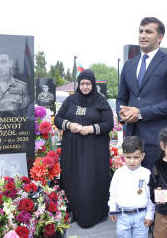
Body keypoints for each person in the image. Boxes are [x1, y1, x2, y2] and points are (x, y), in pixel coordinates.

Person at [117, 17, 167, 171]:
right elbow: (121, 97)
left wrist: (140, 113)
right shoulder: (129, 65)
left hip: (159, 141)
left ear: (160, 37)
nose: (143, 35)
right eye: (141, 31)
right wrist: (122, 113)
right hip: (132, 141)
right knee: (134, 190)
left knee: (158, 190)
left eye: (148, 32)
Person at [54, 69, 114, 228]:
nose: (85, 87)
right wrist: (68, 125)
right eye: (82, 83)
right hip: (72, 149)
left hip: (94, 150)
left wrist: (92, 129)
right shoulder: (70, 100)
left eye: (88, 84)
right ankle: (74, 211)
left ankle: (94, 214)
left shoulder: (101, 101)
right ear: (78, 84)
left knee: (90, 179)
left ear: (93, 84)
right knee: (73, 178)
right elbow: (58, 118)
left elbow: (109, 124)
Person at [108, 136, 155, 237]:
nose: (132, 161)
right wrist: (112, 208)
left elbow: (150, 196)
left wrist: (150, 214)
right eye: (128, 157)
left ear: (143, 156)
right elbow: (113, 192)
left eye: (136, 157)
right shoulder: (119, 173)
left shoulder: (146, 173)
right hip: (122, 215)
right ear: (123, 156)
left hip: (141, 215)